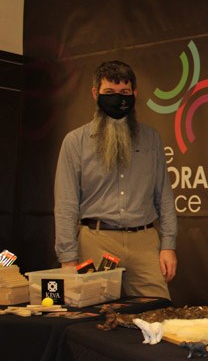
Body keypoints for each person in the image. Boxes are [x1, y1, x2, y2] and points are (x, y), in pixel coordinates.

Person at [54, 60, 177, 299]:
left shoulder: (151, 138)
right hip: (96, 241)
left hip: (145, 242)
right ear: (95, 93)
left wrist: (168, 245)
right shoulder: (75, 142)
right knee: (93, 315)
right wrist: (68, 258)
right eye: (109, 92)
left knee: (157, 309)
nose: (118, 99)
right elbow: (66, 203)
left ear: (134, 93)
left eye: (124, 92)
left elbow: (164, 195)